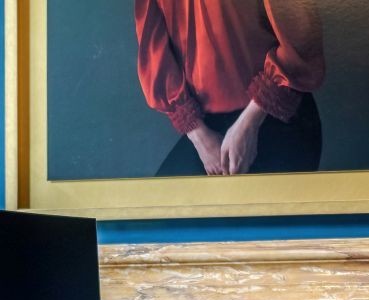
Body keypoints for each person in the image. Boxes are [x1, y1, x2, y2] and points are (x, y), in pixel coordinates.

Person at [135, 0, 326, 177]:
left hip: (274, 114)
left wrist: (249, 124)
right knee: (161, 200)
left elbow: (300, 40)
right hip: (205, 128)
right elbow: (154, 54)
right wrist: (199, 136)